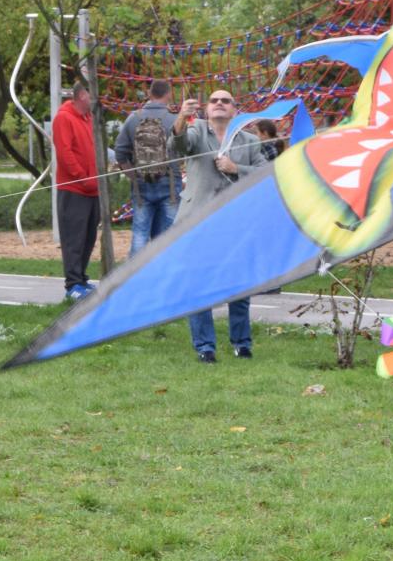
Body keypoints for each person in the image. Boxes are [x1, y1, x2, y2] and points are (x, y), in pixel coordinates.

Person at [173, 89, 270, 361]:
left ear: (234, 110)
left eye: (225, 101)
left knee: (238, 286)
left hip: (236, 222)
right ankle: (205, 348)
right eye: (214, 100)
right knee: (198, 285)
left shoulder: (249, 141)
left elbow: (265, 175)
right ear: (206, 109)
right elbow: (179, 144)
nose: (219, 104)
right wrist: (181, 117)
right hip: (197, 220)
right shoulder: (195, 131)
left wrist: (235, 168)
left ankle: (242, 343)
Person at [115, 79, 181, 256]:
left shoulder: (133, 118)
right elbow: (184, 148)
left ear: (150, 94)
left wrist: (133, 174)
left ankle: (134, 277)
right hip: (170, 184)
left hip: (141, 185)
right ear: (168, 94)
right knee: (168, 235)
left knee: (140, 233)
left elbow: (120, 152)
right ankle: (165, 274)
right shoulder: (174, 119)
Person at [53, 82, 100, 300]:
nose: (95, 100)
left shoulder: (89, 119)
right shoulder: (64, 118)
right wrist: (83, 177)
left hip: (93, 190)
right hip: (74, 189)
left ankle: (81, 278)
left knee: (88, 237)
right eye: (92, 95)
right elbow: (65, 152)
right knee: (74, 238)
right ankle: (72, 284)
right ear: (82, 95)